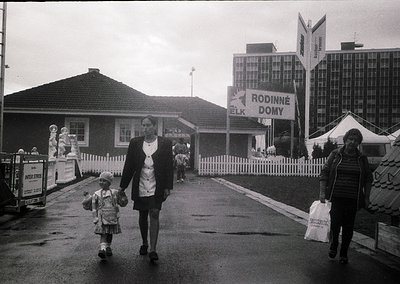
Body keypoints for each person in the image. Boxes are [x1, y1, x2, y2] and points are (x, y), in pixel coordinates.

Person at [119, 115, 173, 262]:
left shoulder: (165, 143)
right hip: (141, 182)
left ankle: (153, 249)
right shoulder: (135, 143)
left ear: (155, 126)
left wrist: (168, 186)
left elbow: (169, 166)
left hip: (157, 184)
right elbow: (129, 165)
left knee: (154, 212)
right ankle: (144, 242)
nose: (145, 128)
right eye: (143, 125)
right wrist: (122, 186)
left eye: (148, 125)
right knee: (142, 214)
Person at [319, 128, 372, 264]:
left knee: (348, 226)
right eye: (350, 139)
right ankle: (334, 244)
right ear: (345, 140)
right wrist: (322, 192)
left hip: (353, 198)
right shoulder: (335, 154)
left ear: (359, 143)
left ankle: (344, 253)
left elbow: (368, 178)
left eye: (355, 140)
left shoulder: (362, 158)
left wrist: (366, 197)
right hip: (336, 196)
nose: (352, 142)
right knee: (335, 224)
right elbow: (324, 172)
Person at [92, 171, 122, 259]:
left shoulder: (114, 193)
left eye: (104, 181)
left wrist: (122, 195)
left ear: (109, 182)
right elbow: (94, 207)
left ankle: (108, 246)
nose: (101, 182)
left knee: (110, 233)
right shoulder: (96, 194)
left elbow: (120, 202)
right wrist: (95, 217)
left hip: (112, 216)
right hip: (102, 218)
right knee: (103, 233)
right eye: (100, 180)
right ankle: (102, 249)